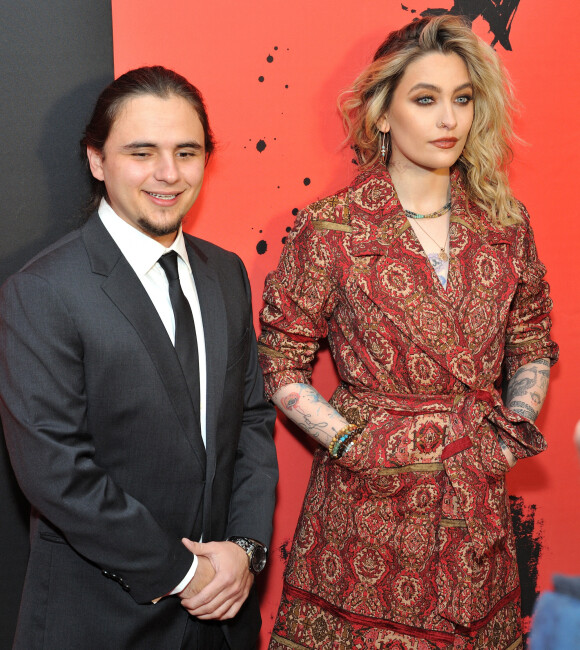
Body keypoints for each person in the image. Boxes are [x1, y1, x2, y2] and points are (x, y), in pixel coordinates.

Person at [259, 16, 557, 649]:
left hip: (474, 503)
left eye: (462, 99)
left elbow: (531, 337)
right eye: (426, 100)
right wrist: (349, 444)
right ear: (384, 115)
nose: (448, 119)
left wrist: (508, 434)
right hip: (366, 516)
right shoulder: (334, 228)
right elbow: (280, 361)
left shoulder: (505, 222)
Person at [0, 66, 278, 650]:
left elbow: (251, 419)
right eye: (141, 152)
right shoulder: (44, 289)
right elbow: (56, 472)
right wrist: (185, 573)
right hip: (100, 619)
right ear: (97, 160)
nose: (168, 174)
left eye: (187, 151)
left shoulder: (225, 273)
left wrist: (245, 552)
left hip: (223, 618)